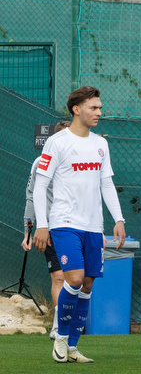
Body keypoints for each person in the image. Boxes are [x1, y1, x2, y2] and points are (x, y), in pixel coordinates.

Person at [32, 86, 126, 364]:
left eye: (99, 107)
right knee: (72, 279)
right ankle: (60, 336)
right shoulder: (57, 142)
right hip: (64, 223)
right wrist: (42, 224)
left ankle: (72, 347)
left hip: (94, 227)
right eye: (93, 107)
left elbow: (106, 183)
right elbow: (41, 185)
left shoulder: (101, 144)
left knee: (86, 285)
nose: (99, 112)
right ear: (76, 109)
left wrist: (118, 219)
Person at [22, 119, 70, 338]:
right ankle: (59, 324)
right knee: (59, 277)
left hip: (76, 229)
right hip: (50, 229)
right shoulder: (40, 162)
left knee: (77, 280)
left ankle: (72, 321)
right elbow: (31, 195)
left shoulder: (80, 162)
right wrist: (29, 230)